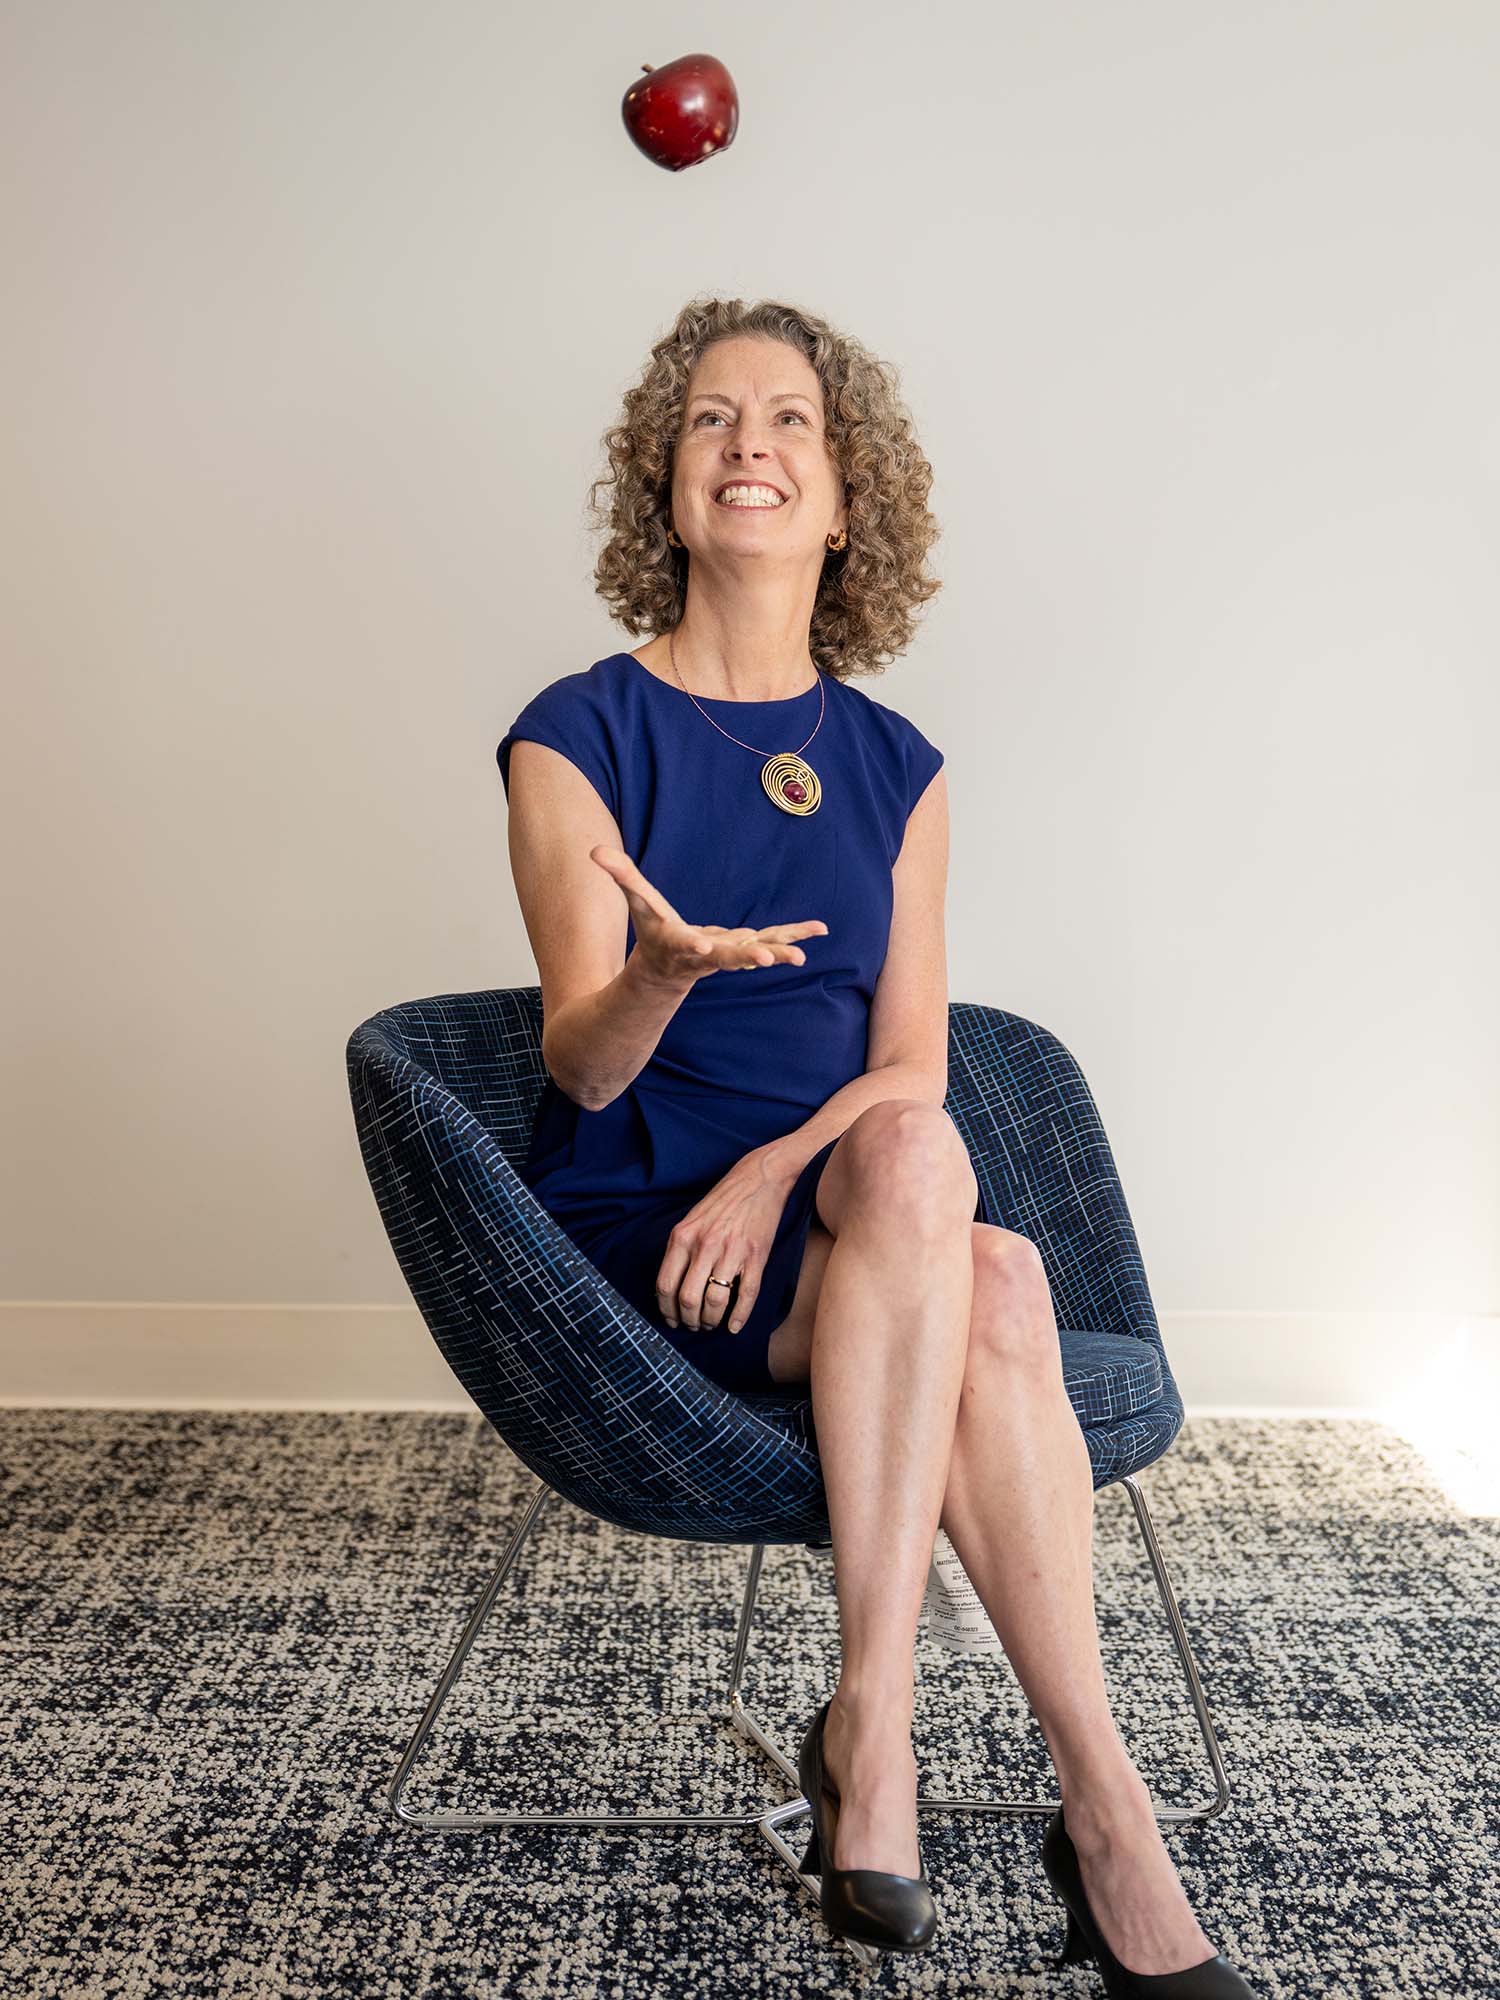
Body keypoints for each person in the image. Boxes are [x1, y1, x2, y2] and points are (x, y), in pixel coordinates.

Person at [497, 296, 1258, 1993]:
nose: (746, 445)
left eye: (787, 422)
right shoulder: (574, 735)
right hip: (660, 1223)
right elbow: (581, 1065)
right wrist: (663, 983)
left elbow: (909, 1061)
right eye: (707, 421)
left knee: (952, 1214)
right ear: (665, 483)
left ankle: (973, 1756)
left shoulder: (897, 768)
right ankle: (1035, 1800)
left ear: (846, 499)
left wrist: (790, 1163)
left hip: (841, 1201)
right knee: (985, 1269)